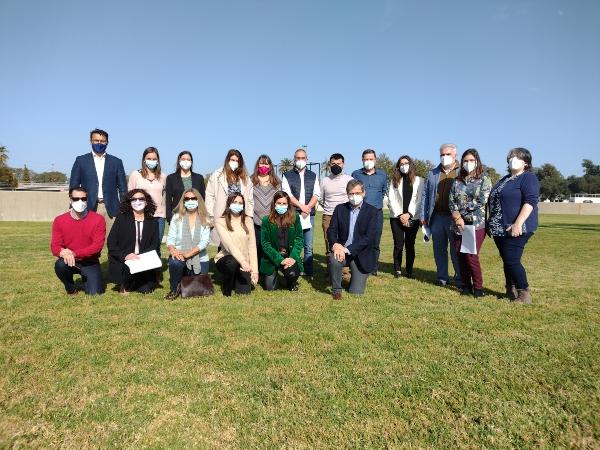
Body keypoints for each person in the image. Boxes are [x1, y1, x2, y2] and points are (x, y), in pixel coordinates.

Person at [488, 148, 539, 304]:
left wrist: (518, 223)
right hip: (499, 228)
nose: (512, 160)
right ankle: (510, 289)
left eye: (517, 157)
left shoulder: (528, 178)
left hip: (517, 227)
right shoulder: (505, 179)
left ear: (526, 162)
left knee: (511, 259)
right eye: (510, 157)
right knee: (507, 259)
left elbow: (530, 201)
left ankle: (524, 293)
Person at [449, 149, 492, 297]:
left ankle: (478, 288)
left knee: (471, 256)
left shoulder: (484, 179)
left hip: (475, 224)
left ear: (477, 161)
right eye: (465, 161)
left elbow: (481, 201)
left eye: (471, 160)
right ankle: (465, 286)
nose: (468, 163)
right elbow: (451, 201)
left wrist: (461, 213)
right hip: (458, 224)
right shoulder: (457, 180)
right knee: (461, 256)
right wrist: (457, 217)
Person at [327, 180, 379, 299]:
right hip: (342, 251)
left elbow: (369, 237)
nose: (354, 196)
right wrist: (335, 244)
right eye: (351, 193)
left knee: (356, 292)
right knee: (334, 259)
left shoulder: (372, 211)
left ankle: (355, 278)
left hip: (361, 254)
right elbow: (331, 230)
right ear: (347, 194)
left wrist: (347, 249)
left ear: (363, 193)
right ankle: (336, 290)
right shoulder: (340, 209)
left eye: (357, 193)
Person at [420, 143, 462, 287]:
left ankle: (460, 279)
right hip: (437, 217)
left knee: (456, 250)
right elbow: (425, 196)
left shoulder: (461, 171)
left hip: (454, 218)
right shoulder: (432, 173)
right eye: (442, 155)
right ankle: (442, 278)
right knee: (439, 250)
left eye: (448, 154)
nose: (445, 157)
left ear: (455, 155)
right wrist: (423, 216)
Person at [69, 128, 127, 232]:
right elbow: (73, 186)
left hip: (111, 209)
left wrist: (124, 207)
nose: (99, 143)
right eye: (96, 140)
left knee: (111, 240)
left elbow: (123, 187)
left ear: (107, 142)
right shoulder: (81, 160)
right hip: (87, 207)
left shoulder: (116, 162)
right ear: (90, 141)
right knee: (87, 239)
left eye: (102, 141)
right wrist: (73, 205)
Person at [51, 187, 106, 295]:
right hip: (69, 260)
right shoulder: (59, 220)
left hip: (90, 261)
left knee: (95, 293)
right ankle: (71, 288)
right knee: (60, 265)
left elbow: (97, 247)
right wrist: (62, 252)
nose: (80, 201)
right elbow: (55, 246)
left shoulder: (98, 219)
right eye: (76, 199)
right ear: (70, 199)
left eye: (83, 199)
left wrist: (74, 253)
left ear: (87, 200)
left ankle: (88, 282)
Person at [107, 189, 160, 294]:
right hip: (125, 259)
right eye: (134, 199)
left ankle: (135, 282)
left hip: (143, 259)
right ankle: (125, 283)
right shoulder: (121, 218)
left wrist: (142, 257)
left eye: (141, 199)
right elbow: (111, 242)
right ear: (129, 202)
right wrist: (125, 256)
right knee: (128, 268)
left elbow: (155, 244)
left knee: (146, 290)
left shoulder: (153, 221)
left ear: (146, 202)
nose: (138, 201)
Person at [165, 188, 211, 300]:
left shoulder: (205, 218)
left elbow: (204, 242)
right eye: (187, 199)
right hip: (180, 255)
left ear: (198, 200)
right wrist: (173, 251)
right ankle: (174, 289)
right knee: (175, 263)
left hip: (199, 258)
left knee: (198, 289)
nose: (190, 201)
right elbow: (170, 239)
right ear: (183, 201)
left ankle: (184, 280)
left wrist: (187, 254)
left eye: (193, 198)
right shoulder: (177, 217)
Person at [282, 148, 320, 277]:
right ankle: (295, 269)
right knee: (294, 244)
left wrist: (307, 208)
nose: (300, 160)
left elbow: (316, 194)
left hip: (309, 215)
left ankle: (308, 271)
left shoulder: (313, 175)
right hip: (294, 214)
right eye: (298, 158)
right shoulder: (287, 175)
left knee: (308, 246)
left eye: (303, 158)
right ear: (294, 159)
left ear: (307, 159)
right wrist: (301, 207)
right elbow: (287, 195)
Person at [351, 149, 388, 275]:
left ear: (375, 160)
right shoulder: (356, 174)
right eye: (366, 159)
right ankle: (358, 266)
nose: (368, 161)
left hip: (377, 213)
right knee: (359, 240)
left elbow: (383, 191)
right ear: (362, 160)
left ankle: (373, 268)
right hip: (360, 213)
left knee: (375, 241)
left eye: (371, 159)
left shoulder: (382, 174)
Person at [206, 149, 254, 244]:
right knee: (222, 244)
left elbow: (250, 199)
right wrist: (210, 215)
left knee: (238, 242)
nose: (235, 162)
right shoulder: (217, 175)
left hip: (239, 216)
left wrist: (249, 216)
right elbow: (209, 195)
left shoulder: (246, 178)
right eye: (232, 160)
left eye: (237, 161)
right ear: (227, 160)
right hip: (222, 215)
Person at [215, 193, 258, 296]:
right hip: (227, 258)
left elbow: (252, 246)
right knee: (232, 263)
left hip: (244, 263)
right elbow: (229, 245)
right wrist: (242, 261)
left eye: (240, 203)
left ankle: (235, 278)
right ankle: (227, 290)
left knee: (245, 292)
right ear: (229, 203)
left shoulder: (248, 220)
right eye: (234, 202)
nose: (237, 205)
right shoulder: (220, 221)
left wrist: (254, 271)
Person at [387, 155, 423, 279]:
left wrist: (409, 214)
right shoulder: (394, 180)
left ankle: (409, 271)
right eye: (401, 164)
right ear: (398, 167)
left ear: (411, 164)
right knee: (398, 244)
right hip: (396, 217)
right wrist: (400, 215)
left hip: (413, 218)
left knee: (410, 244)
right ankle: (397, 270)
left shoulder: (419, 180)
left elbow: (420, 200)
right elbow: (391, 199)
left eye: (406, 163)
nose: (404, 166)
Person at [260, 191, 304, 291]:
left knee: (292, 274)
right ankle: (274, 273)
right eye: (279, 203)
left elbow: (299, 239)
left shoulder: (295, 217)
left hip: (289, 255)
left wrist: (292, 257)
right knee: (270, 288)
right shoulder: (266, 220)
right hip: (273, 256)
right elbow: (265, 244)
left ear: (288, 205)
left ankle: (290, 281)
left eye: (284, 203)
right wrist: (280, 260)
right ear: (274, 204)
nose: (281, 205)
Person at [128, 147, 167, 241]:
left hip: (158, 216)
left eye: (154, 159)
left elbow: (165, 196)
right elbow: (129, 195)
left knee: (156, 244)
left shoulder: (163, 176)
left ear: (158, 161)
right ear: (144, 160)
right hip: (140, 215)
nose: (151, 161)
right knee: (140, 243)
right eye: (149, 158)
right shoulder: (135, 175)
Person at [320, 153, 353, 259]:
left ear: (343, 164)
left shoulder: (349, 180)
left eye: (338, 163)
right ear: (329, 164)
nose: (336, 166)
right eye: (333, 163)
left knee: (345, 240)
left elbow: (352, 196)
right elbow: (321, 199)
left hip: (345, 215)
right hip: (328, 215)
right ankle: (331, 265)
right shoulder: (324, 181)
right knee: (329, 241)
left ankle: (345, 266)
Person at [251, 154, 281, 264]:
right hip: (255, 222)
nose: (264, 166)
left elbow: (280, 200)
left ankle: (269, 269)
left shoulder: (276, 182)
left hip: (272, 221)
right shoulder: (251, 181)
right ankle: (256, 269)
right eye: (261, 163)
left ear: (270, 166)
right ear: (257, 165)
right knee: (257, 247)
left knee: (270, 247)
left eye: (266, 164)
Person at [165, 151, 206, 223]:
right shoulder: (171, 178)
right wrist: (169, 217)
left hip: (196, 216)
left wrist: (203, 214)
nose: (186, 161)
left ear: (191, 162)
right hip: (178, 216)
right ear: (179, 161)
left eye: (188, 159)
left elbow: (203, 198)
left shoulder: (199, 178)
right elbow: (168, 200)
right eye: (183, 159)